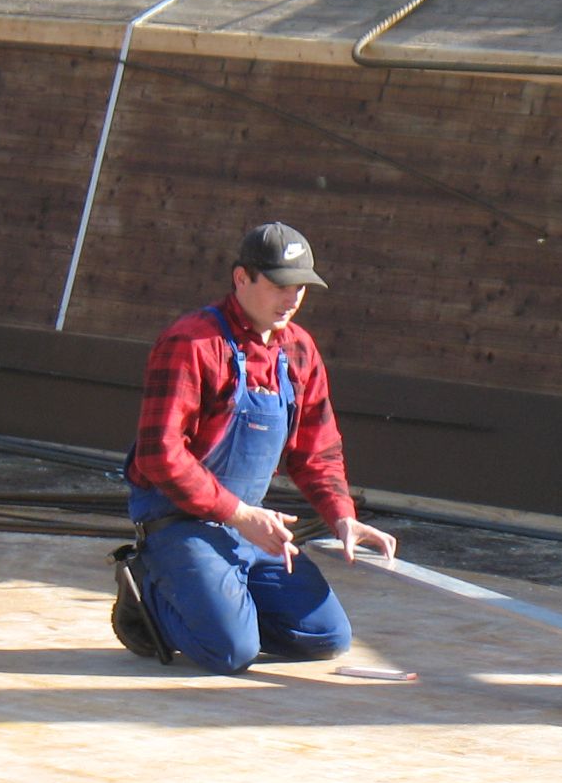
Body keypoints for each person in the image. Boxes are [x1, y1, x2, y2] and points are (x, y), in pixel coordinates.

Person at [113, 222, 397, 675]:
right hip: (178, 520)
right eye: (281, 284)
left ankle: (218, 608)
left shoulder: (300, 350)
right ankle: (152, 592)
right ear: (241, 278)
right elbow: (159, 454)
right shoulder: (191, 342)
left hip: (249, 524)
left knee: (326, 637)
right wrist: (240, 515)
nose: (293, 298)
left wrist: (342, 515)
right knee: (230, 653)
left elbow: (317, 449)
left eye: (302, 286)